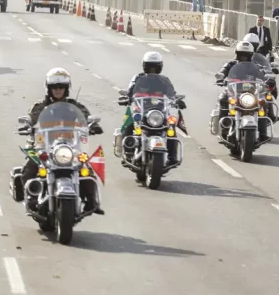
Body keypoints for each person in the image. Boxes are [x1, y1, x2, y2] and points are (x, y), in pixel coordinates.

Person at [19, 68, 104, 214]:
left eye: (61, 87)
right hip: (43, 145)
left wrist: (93, 125)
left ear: (66, 89)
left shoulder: (75, 106)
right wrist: (28, 126)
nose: (58, 90)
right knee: (30, 167)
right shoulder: (39, 107)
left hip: (70, 146)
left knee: (85, 168)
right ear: (49, 88)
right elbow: (32, 120)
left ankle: (91, 201)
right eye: (54, 87)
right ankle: (31, 197)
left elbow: (85, 118)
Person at [118, 52, 185, 164]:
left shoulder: (164, 80)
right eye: (150, 65)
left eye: (155, 66)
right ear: (145, 65)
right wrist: (127, 98)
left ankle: (172, 157)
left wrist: (177, 101)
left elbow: (171, 93)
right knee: (130, 122)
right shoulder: (138, 78)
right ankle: (128, 151)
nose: (152, 69)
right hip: (140, 109)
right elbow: (131, 90)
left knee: (171, 128)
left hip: (159, 111)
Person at [216, 42, 272, 143]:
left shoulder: (255, 66)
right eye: (241, 54)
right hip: (234, 91)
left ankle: (263, 133)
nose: (243, 57)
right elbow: (223, 71)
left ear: (250, 55)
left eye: (246, 55)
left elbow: (263, 73)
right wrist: (221, 77)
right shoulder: (231, 64)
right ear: (237, 54)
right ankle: (223, 129)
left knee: (262, 103)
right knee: (223, 99)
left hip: (250, 92)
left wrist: (269, 78)